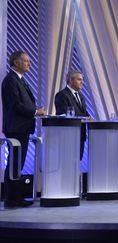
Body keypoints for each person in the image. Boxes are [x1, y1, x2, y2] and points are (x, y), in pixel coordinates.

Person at [1, 51, 46, 208]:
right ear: (15, 62)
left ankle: (15, 197)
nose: (29, 64)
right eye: (26, 61)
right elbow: (16, 105)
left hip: (22, 128)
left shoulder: (19, 80)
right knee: (14, 164)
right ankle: (11, 199)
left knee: (17, 164)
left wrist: (35, 109)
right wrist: (35, 112)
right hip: (16, 128)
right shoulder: (10, 80)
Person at [55, 70, 90, 160]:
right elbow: (63, 113)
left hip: (81, 134)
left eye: (82, 79)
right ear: (71, 80)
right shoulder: (62, 95)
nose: (82, 82)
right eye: (79, 79)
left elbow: (83, 112)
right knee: (68, 161)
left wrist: (89, 118)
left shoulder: (81, 96)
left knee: (78, 160)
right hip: (68, 135)